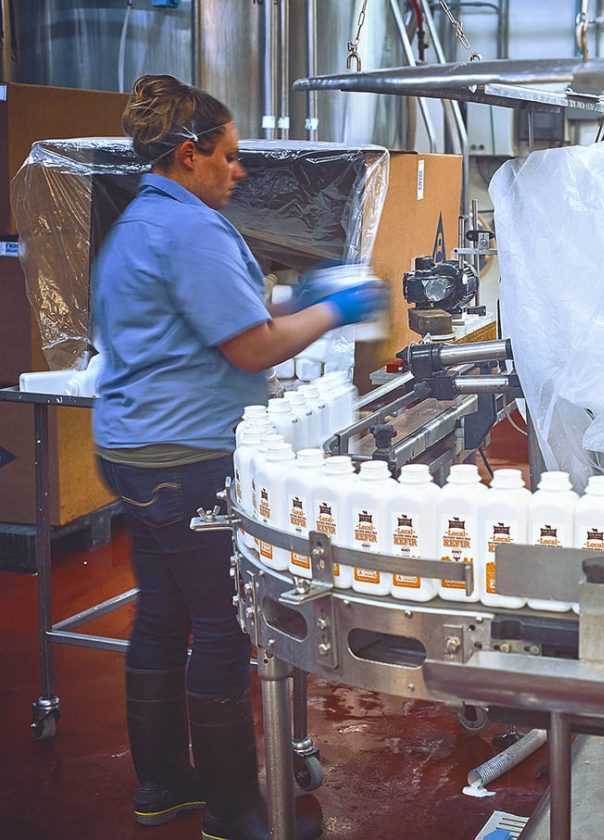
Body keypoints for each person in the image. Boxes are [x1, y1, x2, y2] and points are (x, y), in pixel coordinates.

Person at [93, 75, 386, 840]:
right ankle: (234, 812)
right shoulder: (190, 229)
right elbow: (251, 345)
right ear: (189, 155)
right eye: (227, 156)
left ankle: (163, 786)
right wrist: (338, 309)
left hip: (132, 447)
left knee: (161, 617)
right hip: (185, 458)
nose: (240, 170)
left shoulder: (143, 219)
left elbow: (218, 318)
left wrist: (298, 300)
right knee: (221, 631)